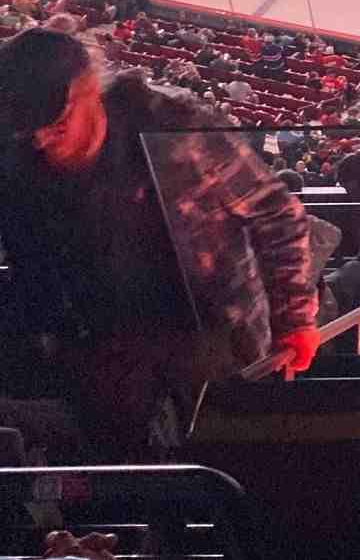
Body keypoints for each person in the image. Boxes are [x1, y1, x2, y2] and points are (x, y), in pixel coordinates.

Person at [0, 29, 318, 456]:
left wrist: (294, 319)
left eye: (57, 126)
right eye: (29, 134)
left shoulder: (175, 129)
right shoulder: (17, 155)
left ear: (90, 88)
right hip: (95, 357)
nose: (41, 142)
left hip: (207, 348)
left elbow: (276, 214)